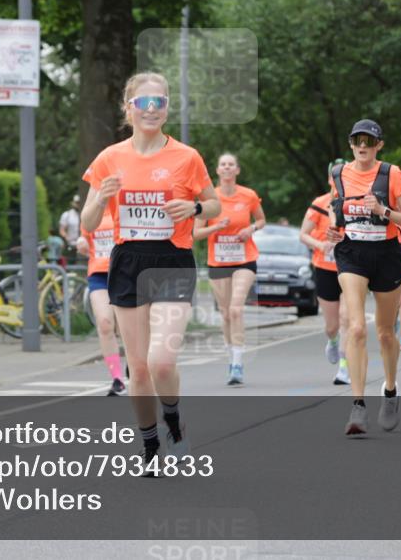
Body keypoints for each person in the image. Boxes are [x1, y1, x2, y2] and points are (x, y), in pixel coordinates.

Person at [81, 72, 220, 473]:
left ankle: (173, 422)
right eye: (144, 102)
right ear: (129, 108)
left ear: (167, 108)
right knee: (138, 368)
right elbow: (89, 222)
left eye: (160, 102)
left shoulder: (186, 157)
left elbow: (214, 205)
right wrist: (102, 199)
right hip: (127, 261)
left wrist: (194, 208)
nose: (152, 109)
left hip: (171, 260)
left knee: (161, 360)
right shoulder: (109, 158)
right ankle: (150, 444)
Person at [325, 120, 401, 436]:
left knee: (385, 333)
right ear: (350, 144)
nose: (362, 146)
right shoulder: (339, 174)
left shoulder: (392, 174)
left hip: (386, 254)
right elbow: (336, 207)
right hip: (351, 252)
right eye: (357, 140)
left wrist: (383, 211)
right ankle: (358, 405)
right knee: (355, 327)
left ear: (379, 144)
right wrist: (333, 227)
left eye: (369, 140)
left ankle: (390, 390)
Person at [194, 153, 266, 386]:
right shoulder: (209, 200)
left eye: (231, 164)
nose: (227, 167)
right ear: (217, 170)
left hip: (245, 259)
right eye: (223, 164)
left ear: (237, 170)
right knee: (225, 314)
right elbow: (196, 233)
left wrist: (250, 229)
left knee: (236, 309)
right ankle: (231, 355)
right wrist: (216, 228)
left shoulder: (248, 195)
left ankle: (237, 363)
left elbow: (261, 220)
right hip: (218, 262)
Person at [299, 163, 351, 386]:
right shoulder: (320, 203)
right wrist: (320, 245)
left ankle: (344, 368)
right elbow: (303, 234)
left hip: (350, 268)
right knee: (332, 326)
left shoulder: (354, 204)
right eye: (336, 177)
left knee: (347, 318)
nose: (339, 181)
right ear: (330, 179)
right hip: (325, 268)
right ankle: (333, 340)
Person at [76, 212, 126, 395]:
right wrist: (81, 242)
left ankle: (134, 364)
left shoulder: (122, 204)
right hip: (98, 274)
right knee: (105, 324)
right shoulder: (92, 208)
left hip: (125, 272)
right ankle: (117, 378)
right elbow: (85, 236)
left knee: (126, 328)